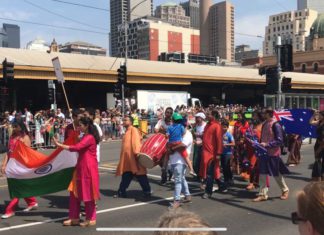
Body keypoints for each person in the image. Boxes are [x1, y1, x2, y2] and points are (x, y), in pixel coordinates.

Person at [53, 117, 100, 227]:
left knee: (87, 193)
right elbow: (78, 145)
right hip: (80, 166)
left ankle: (91, 218)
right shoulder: (84, 136)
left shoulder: (89, 137)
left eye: (80, 125)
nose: (78, 127)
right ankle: (74, 217)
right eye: (78, 125)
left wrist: (59, 145)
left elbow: (77, 147)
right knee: (74, 192)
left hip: (88, 168)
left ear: (86, 126)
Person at [1, 120, 38, 219]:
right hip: (12, 165)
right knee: (20, 186)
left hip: (20, 166)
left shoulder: (25, 138)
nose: (13, 128)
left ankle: (10, 210)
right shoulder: (12, 137)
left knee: (15, 188)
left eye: (15, 126)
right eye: (13, 126)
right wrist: (4, 165)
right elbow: (9, 152)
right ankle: (32, 202)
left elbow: (27, 154)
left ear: (21, 127)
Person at [253, 108, 290, 202]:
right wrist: (258, 144)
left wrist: (267, 144)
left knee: (276, 174)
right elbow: (262, 138)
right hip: (263, 152)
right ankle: (262, 194)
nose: (262, 114)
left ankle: (285, 190)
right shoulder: (265, 123)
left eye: (264, 113)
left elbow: (279, 140)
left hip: (273, 153)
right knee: (262, 173)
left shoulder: (276, 124)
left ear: (269, 114)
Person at [115, 115, 152, 198]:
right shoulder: (127, 131)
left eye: (126, 120)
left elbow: (136, 142)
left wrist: (137, 153)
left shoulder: (133, 130)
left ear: (131, 122)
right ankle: (121, 191)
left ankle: (147, 191)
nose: (124, 121)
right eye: (123, 120)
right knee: (126, 175)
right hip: (128, 159)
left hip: (134, 158)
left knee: (140, 175)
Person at [168, 118, 193, 209]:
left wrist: (172, 148)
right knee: (181, 179)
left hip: (181, 161)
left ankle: (177, 201)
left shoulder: (188, 134)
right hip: (175, 160)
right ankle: (187, 195)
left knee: (178, 180)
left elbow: (182, 145)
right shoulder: (178, 133)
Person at [201, 110, 225, 199]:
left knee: (209, 173)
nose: (207, 115)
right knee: (214, 172)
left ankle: (208, 192)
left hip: (212, 154)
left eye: (209, 114)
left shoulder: (217, 126)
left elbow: (219, 141)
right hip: (205, 152)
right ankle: (222, 186)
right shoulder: (207, 125)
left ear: (214, 116)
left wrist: (218, 153)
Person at [155, 107, 173, 185]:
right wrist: (163, 131)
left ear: (172, 114)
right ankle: (169, 171)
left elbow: (172, 133)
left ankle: (164, 178)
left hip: (170, 144)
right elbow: (156, 130)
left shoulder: (173, 122)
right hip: (161, 144)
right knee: (160, 161)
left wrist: (163, 130)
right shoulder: (161, 121)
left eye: (169, 113)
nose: (167, 114)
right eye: (167, 112)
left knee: (165, 161)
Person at [309, 110, 324, 181]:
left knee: (319, 160)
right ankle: (319, 177)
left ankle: (319, 177)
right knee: (318, 160)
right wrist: (314, 115)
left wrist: (321, 147)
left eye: (320, 115)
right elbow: (311, 122)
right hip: (318, 142)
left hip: (322, 144)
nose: (319, 116)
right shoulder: (320, 122)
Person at [221, 120, 235, 190]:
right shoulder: (219, 134)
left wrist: (226, 144)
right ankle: (227, 179)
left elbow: (233, 143)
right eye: (222, 127)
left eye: (225, 127)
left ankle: (229, 179)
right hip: (221, 153)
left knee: (227, 167)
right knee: (223, 168)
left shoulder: (229, 134)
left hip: (228, 153)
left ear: (227, 127)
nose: (223, 128)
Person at [192, 112, 207, 178]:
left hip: (203, 146)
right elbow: (193, 134)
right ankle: (197, 174)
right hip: (196, 146)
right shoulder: (196, 125)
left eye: (198, 118)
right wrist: (194, 138)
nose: (196, 119)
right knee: (195, 161)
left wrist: (201, 136)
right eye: (196, 118)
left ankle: (202, 175)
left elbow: (207, 136)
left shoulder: (206, 126)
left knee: (202, 161)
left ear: (202, 118)